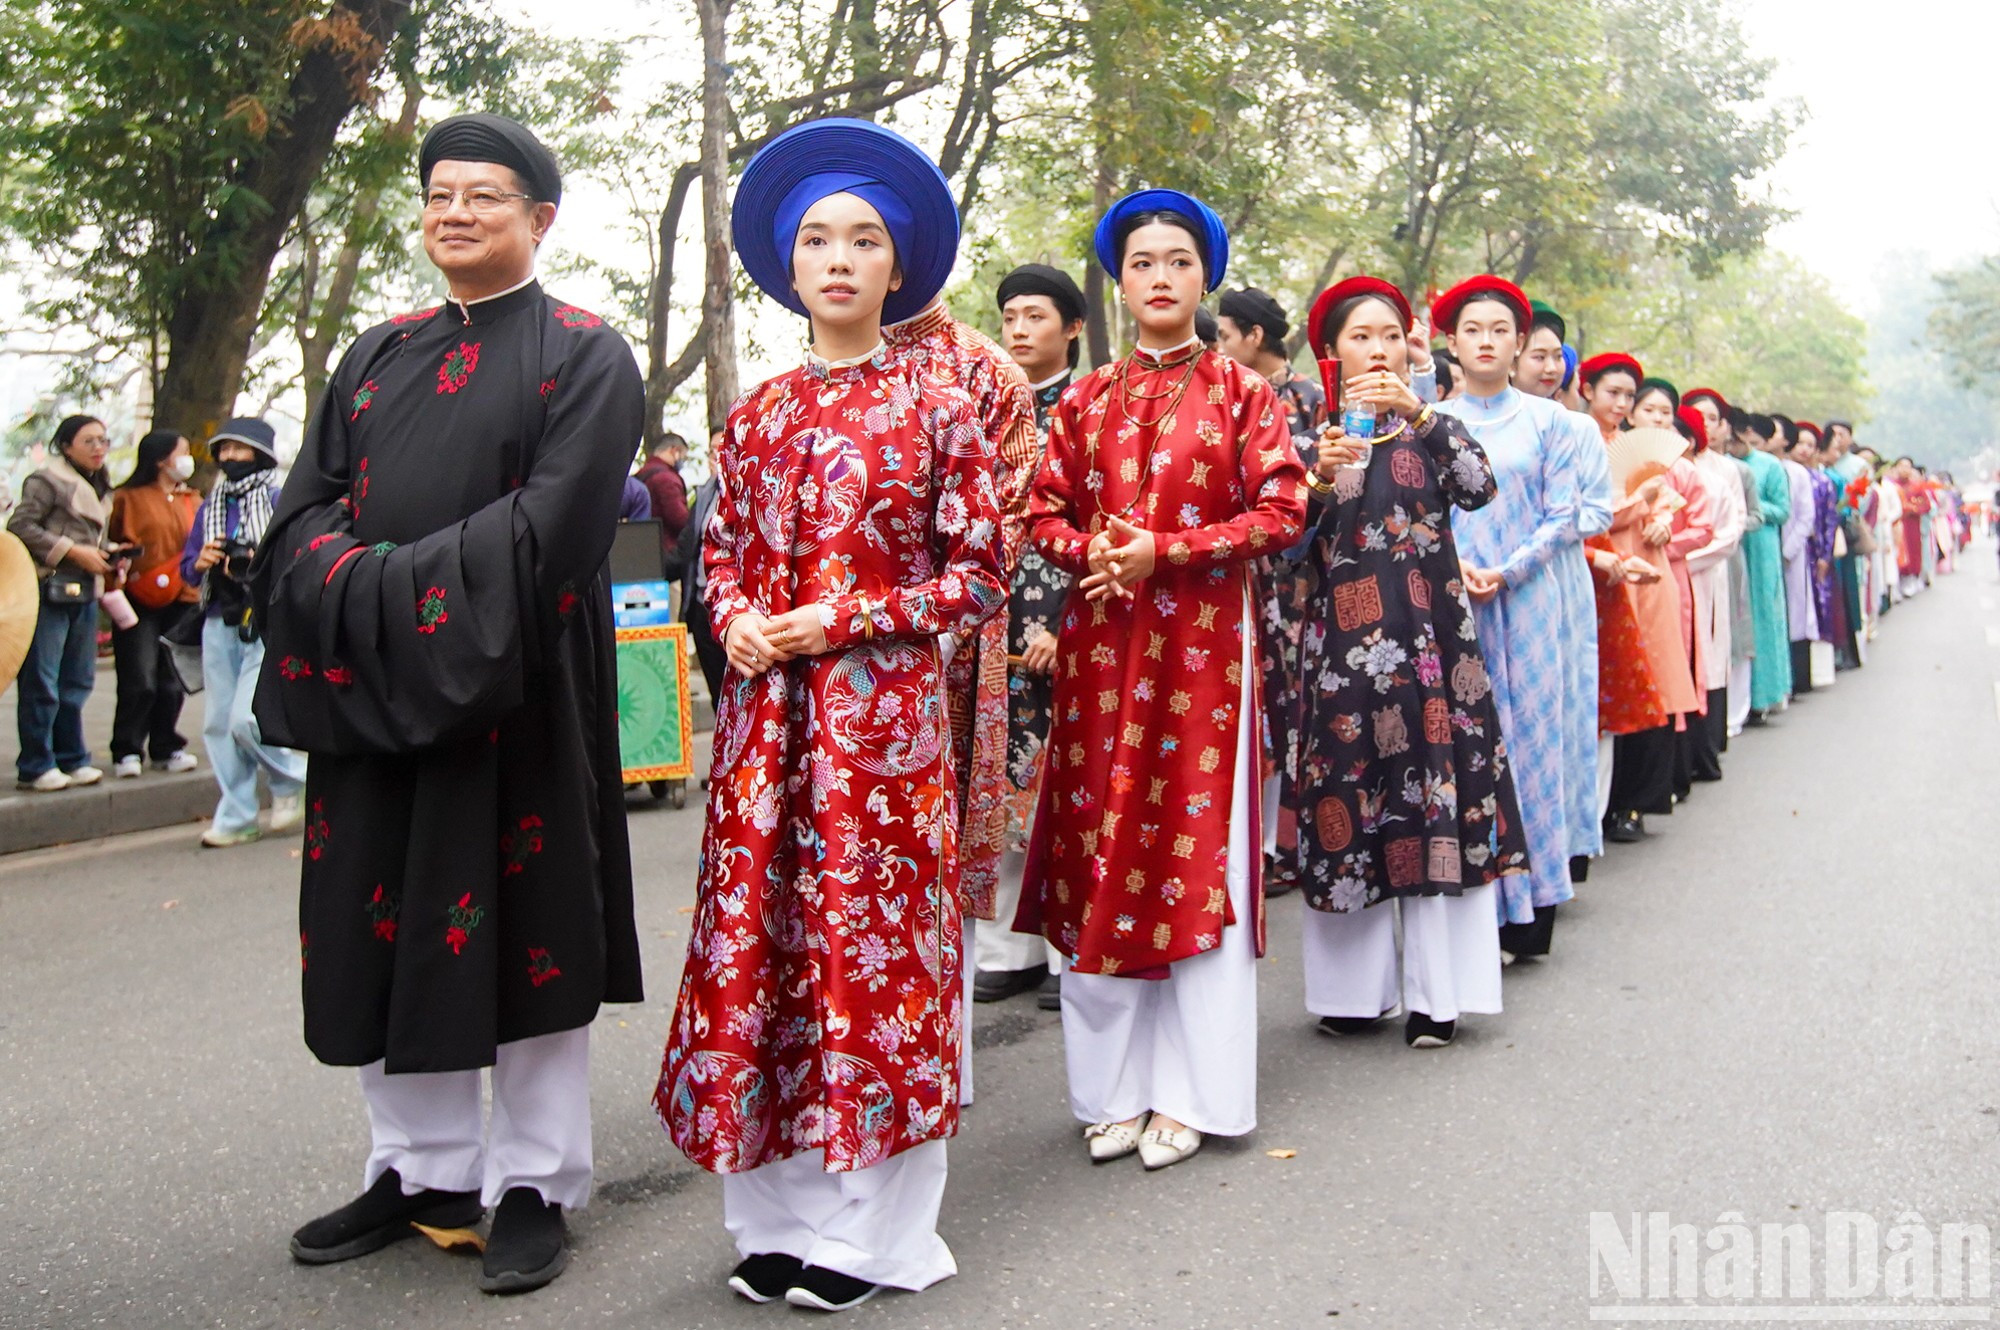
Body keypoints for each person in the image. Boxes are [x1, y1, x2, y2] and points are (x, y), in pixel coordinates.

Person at [253, 113, 643, 1295]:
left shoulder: (585, 352)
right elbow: (300, 519)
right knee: (382, 917)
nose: (455, 212)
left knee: (522, 921)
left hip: (514, 687)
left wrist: (377, 587)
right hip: (371, 692)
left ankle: (534, 1179)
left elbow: (556, 530)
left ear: (539, 216)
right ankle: (417, 1164)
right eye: (438, 193)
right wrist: (362, 595)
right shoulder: (373, 353)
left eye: (484, 193)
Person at [655, 117, 1004, 1313]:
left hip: (884, 737)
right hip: (766, 737)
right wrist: (742, 619)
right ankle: (773, 1214)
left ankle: (880, 1235)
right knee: (769, 950)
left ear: (898, 269)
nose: (840, 258)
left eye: (864, 240)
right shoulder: (752, 415)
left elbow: (978, 577)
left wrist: (839, 621)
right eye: (817, 240)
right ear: (787, 265)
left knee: (875, 961)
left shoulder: (941, 405)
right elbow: (723, 563)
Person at [1023, 187, 1304, 1172]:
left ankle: (1197, 1092)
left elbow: (1280, 512)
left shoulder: (1243, 396)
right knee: (1103, 853)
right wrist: (1090, 555)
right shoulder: (1085, 398)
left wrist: (1169, 551)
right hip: (1101, 654)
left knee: (1198, 857)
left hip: (1203, 653)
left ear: (1203, 278)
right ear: (1118, 278)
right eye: (1141, 261)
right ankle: (1110, 1091)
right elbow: (1040, 511)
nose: (1158, 277)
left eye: (1177, 261)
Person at [1289, 274, 1530, 1049]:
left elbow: (1479, 486)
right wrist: (1320, 477)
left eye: (1390, 334)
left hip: (1435, 653)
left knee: (1434, 805)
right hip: (1342, 655)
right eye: (1361, 336)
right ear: (1332, 352)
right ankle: (1353, 997)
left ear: (1409, 346)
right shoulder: (1308, 440)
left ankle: (1439, 998)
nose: (1378, 349)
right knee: (1348, 801)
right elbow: (1287, 548)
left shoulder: (1435, 429)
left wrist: (1419, 410)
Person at [883, 267, 1040, 1003]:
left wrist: (929, 629)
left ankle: (942, 1062)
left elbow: (1007, 520)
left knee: (934, 841)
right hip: (823, 649)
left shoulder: (988, 373)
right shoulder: (804, 382)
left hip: (945, 647)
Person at [1434, 278, 1590, 961]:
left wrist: (1509, 569)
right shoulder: (1430, 420)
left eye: (1501, 329)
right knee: (1465, 749)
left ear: (1519, 342)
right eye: (1474, 330)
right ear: (1452, 342)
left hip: (1528, 603)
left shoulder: (1552, 422)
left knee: (1531, 746)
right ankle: (1472, 908)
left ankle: (1529, 910)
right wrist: (1461, 568)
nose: (1488, 341)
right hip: (1452, 603)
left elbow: (1565, 514)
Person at [978, 262, 1087, 1009]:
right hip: (992, 618)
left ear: (1073, 328)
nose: (1019, 331)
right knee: (997, 772)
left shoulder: (1092, 405)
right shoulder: (984, 409)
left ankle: (1062, 946)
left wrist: (1065, 616)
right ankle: (1002, 946)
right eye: (1011, 316)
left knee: (1061, 780)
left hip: (1070, 614)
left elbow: (1099, 519)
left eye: (1036, 317)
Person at [1216, 286, 1323, 902]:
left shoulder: (1306, 399)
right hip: (1240, 569)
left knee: (1288, 708)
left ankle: (1278, 846)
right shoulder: (1225, 394)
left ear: (1254, 336)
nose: (1220, 348)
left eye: (1226, 335)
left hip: (1298, 581)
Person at [180, 418, 308, 848]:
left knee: (246, 719)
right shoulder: (210, 505)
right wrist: (201, 562)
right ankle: (236, 817)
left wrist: (257, 558)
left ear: (262, 453)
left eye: (241, 449)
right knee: (218, 723)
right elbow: (187, 564)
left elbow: (297, 556)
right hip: (217, 618)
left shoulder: (278, 498)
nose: (231, 457)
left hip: (264, 621)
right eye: (224, 449)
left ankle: (293, 781)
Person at [9, 414, 113, 792]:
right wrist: (72, 551)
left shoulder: (100, 484)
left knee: (77, 679)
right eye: (89, 441)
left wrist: (105, 554)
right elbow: (20, 526)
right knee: (43, 679)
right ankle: (36, 762)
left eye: (104, 440)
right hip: (49, 588)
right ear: (66, 446)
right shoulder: (46, 480)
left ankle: (72, 757)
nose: (99, 448)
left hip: (85, 590)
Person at [107, 428, 201, 778]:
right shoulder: (127, 498)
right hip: (140, 598)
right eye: (183, 452)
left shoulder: (193, 499)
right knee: (139, 676)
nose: (188, 459)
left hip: (183, 597)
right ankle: (127, 748)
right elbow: (115, 539)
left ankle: (166, 746)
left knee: (171, 679)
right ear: (162, 459)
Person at [1680, 404, 1745, 776]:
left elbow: (1728, 532)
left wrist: (1682, 560)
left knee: (1707, 652)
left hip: (1705, 576)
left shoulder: (1720, 477)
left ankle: (1705, 748)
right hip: (1664, 578)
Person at [669, 426, 727, 703]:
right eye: (711, 452)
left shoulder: (754, 492)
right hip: (703, 608)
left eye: (722, 448)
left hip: (738, 611)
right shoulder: (704, 495)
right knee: (718, 695)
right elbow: (684, 549)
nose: (716, 457)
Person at [1775, 418, 1818, 695]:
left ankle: (1797, 677)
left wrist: (1788, 550)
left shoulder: (1797, 473)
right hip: (1766, 552)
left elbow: (1806, 516)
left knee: (1796, 611)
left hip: (1792, 553)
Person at [635, 431, 690, 549]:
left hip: (643, 545)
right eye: (683, 457)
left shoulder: (642, 474)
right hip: (665, 549)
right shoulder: (667, 479)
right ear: (675, 451)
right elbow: (680, 520)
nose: (682, 462)